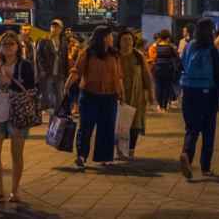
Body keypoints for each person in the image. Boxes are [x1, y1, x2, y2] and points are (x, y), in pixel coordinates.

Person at [0, 30, 36, 204]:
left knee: (16, 154)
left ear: (17, 47)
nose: (8, 47)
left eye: (11, 43)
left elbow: (31, 88)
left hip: (18, 113)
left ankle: (15, 191)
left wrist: (7, 78)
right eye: (4, 44)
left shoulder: (25, 65)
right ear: (0, 47)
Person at [65, 24, 123, 169]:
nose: (112, 38)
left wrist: (121, 93)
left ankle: (105, 157)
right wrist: (66, 86)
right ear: (102, 38)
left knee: (107, 127)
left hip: (110, 97)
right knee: (86, 127)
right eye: (109, 36)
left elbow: (119, 76)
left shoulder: (114, 54)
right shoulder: (88, 53)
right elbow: (76, 71)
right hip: (90, 96)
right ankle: (81, 156)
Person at [177, 17, 219, 179]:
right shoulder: (211, 48)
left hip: (189, 91)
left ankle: (186, 154)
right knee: (208, 130)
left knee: (192, 128)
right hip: (207, 92)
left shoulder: (189, 45)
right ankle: (205, 167)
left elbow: (182, 65)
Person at [116, 29, 152, 157]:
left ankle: (131, 149)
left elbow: (147, 76)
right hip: (119, 95)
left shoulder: (138, 56)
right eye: (124, 40)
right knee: (120, 123)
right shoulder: (115, 56)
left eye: (130, 39)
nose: (127, 42)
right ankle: (120, 149)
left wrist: (150, 94)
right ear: (119, 42)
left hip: (137, 94)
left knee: (135, 123)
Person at [149, 29, 180, 112]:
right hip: (168, 69)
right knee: (166, 87)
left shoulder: (156, 46)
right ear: (168, 38)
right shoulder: (170, 47)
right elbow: (177, 57)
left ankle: (159, 105)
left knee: (158, 86)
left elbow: (153, 58)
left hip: (158, 69)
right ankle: (164, 106)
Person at [33, 21, 60, 110]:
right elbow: (39, 56)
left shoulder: (62, 41)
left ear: (61, 29)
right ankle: (46, 108)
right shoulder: (44, 40)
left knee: (58, 93)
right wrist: (42, 69)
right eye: (53, 27)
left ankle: (57, 110)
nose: (55, 29)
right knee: (46, 92)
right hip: (48, 70)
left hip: (59, 71)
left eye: (57, 27)